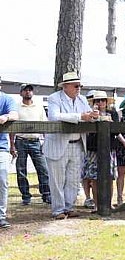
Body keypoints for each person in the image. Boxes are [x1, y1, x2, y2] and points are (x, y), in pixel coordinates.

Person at [43, 71, 98, 220]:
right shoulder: (54, 98)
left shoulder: (81, 100)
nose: (79, 88)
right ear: (65, 86)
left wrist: (93, 116)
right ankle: (58, 210)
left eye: (80, 85)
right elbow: (55, 117)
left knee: (73, 179)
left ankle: (69, 207)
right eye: (76, 85)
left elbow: (87, 115)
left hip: (77, 144)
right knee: (57, 180)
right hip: (58, 144)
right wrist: (80, 117)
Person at [9, 83, 51, 206]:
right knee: (21, 170)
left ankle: (46, 194)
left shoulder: (39, 107)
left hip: (36, 141)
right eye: (25, 90)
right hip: (20, 141)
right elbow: (12, 128)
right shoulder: (16, 107)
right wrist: (12, 145)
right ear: (21, 93)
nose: (28, 92)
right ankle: (25, 196)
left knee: (43, 169)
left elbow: (45, 125)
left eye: (30, 90)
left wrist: (45, 142)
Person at [81, 90, 118, 211]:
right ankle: (97, 205)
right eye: (98, 100)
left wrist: (110, 122)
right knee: (94, 177)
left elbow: (117, 131)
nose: (100, 102)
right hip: (93, 149)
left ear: (106, 102)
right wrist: (93, 117)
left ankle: (109, 203)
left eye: (103, 100)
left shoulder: (113, 113)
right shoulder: (89, 113)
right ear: (94, 102)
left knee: (110, 176)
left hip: (109, 148)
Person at [0, 77, 19, 228]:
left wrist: (5, 117)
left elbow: (15, 114)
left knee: (2, 179)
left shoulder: (6, 99)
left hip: (2, 147)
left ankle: (1, 215)